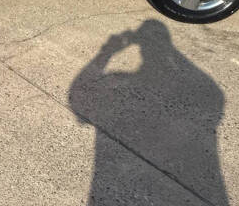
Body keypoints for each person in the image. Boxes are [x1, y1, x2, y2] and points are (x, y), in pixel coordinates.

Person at [68, 20, 228, 205]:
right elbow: (212, 94)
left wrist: (107, 51)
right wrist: (169, 49)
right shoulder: (203, 94)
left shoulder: (119, 80)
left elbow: (78, 96)